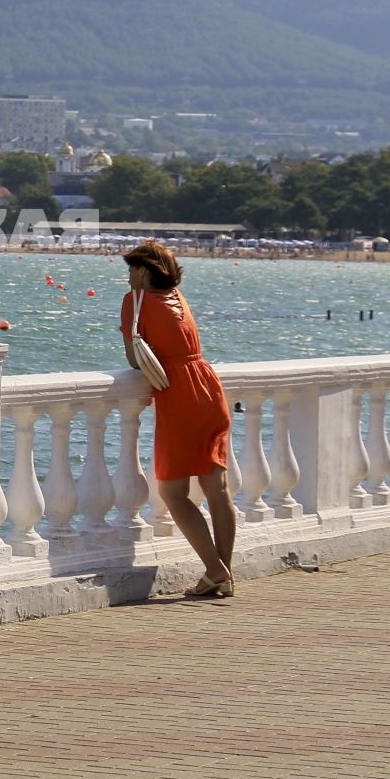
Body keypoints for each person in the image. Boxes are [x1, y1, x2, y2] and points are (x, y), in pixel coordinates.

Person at [120, 240, 237, 598]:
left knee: (173, 491)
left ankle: (217, 570)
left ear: (143, 271)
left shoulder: (134, 302)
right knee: (217, 489)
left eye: (130, 269)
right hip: (208, 387)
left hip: (179, 396)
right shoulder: (179, 299)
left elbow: (133, 360)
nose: (127, 277)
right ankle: (223, 576)